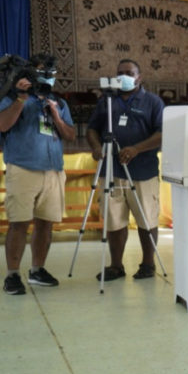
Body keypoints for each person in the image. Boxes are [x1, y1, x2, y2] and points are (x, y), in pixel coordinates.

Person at [0, 53, 76, 295]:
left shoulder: (59, 102)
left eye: (51, 73)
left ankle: (37, 270)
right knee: (19, 223)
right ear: (31, 73)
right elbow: (3, 125)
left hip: (53, 170)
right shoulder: (12, 97)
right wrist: (21, 98)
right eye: (42, 72)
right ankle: (12, 275)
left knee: (45, 224)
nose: (48, 77)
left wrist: (56, 115)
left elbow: (70, 135)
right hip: (23, 168)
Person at [85, 59, 164, 281]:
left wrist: (137, 149)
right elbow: (92, 129)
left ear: (139, 77)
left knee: (147, 220)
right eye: (120, 73)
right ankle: (116, 266)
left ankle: (148, 264)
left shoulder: (153, 102)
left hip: (143, 171)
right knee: (114, 220)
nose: (124, 77)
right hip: (111, 170)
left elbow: (162, 133)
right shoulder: (107, 101)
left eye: (129, 73)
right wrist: (96, 147)